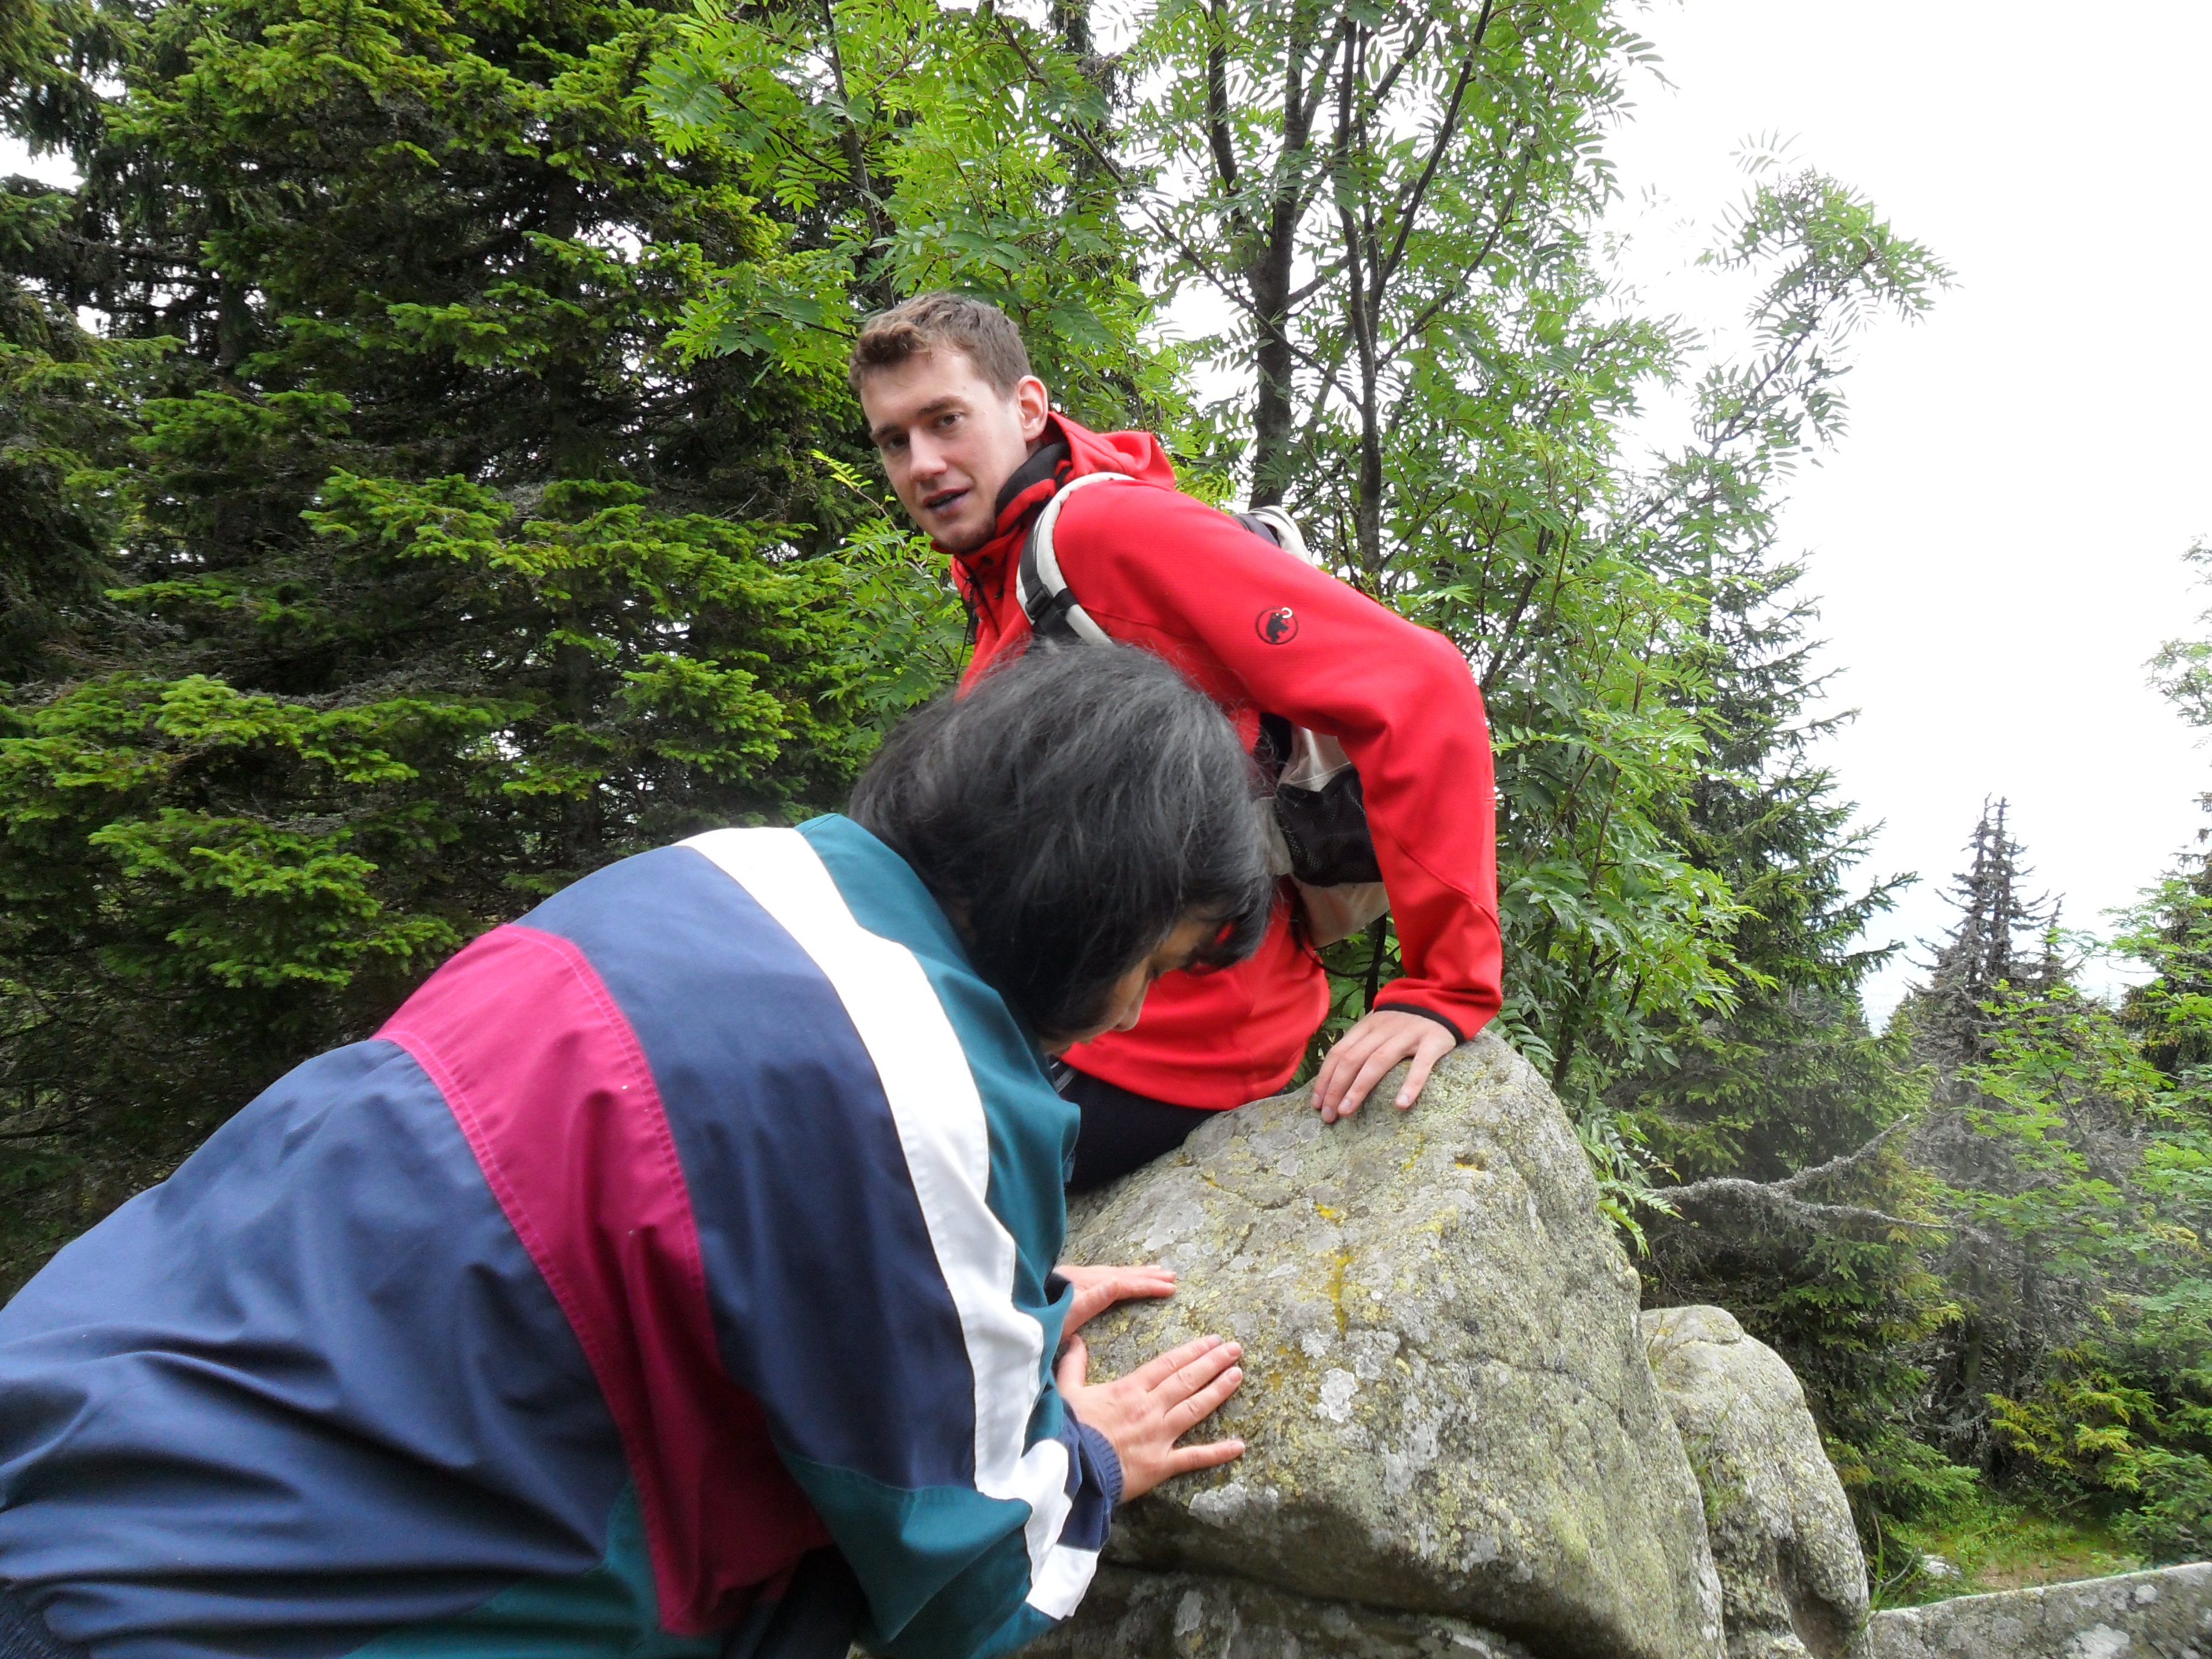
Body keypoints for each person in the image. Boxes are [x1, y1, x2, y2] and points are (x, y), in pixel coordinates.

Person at [0, 646, 1261, 1659]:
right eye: (1154, 962)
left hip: (71, 1430)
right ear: (1091, 894)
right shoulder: (929, 1085)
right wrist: (1084, 1457)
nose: (1133, 1014)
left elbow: (635, 1237)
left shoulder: (715, 877)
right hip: (240, 1609)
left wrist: (962, 1320)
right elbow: (973, 1577)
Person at [851, 292, 1504, 1188]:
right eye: (894, 441)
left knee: (848, 1182)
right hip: (1090, 1027)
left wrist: (1443, 989)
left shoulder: (1102, 534)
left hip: (1164, 1049)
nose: (923, 463)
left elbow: (1419, 681)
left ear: (1028, 408)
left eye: (946, 421)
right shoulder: (1002, 574)